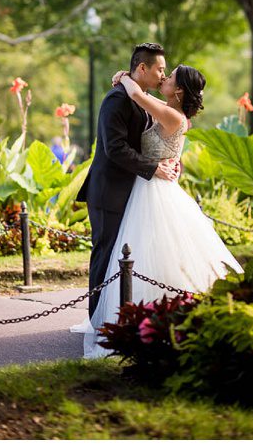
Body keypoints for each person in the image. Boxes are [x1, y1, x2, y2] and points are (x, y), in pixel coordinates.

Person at [73, 58, 242, 358]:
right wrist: (125, 77)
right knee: (145, 250)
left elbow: (138, 96)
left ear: (178, 92)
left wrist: (124, 77)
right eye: (164, 72)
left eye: (171, 76)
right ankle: (140, 316)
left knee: (150, 251)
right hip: (146, 185)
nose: (164, 77)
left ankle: (148, 318)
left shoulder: (173, 117)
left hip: (155, 189)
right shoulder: (170, 112)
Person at [76, 43, 179, 318]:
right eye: (159, 69)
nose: (162, 75)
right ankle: (96, 321)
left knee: (123, 260)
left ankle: (117, 317)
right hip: (108, 192)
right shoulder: (117, 99)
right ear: (142, 68)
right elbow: (116, 148)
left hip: (132, 192)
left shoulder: (139, 97)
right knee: (105, 255)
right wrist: (154, 167)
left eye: (166, 72)